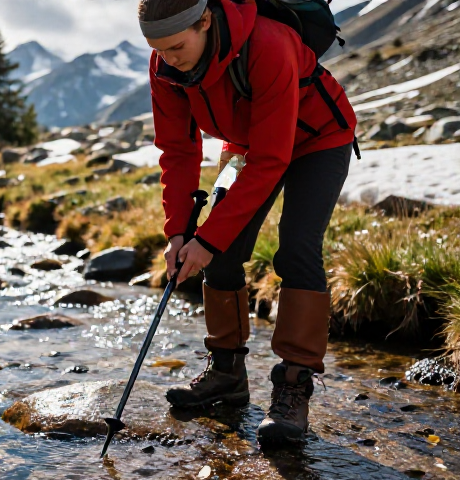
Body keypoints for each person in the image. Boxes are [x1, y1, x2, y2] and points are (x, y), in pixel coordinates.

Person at [139, 0, 357, 443]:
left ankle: (294, 387)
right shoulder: (165, 64)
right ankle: (227, 374)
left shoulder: (268, 44)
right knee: (219, 253)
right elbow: (179, 152)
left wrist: (207, 240)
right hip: (245, 144)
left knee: (296, 249)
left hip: (317, 138)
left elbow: (271, 159)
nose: (169, 58)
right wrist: (179, 234)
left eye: (178, 46)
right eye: (158, 49)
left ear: (204, 22)